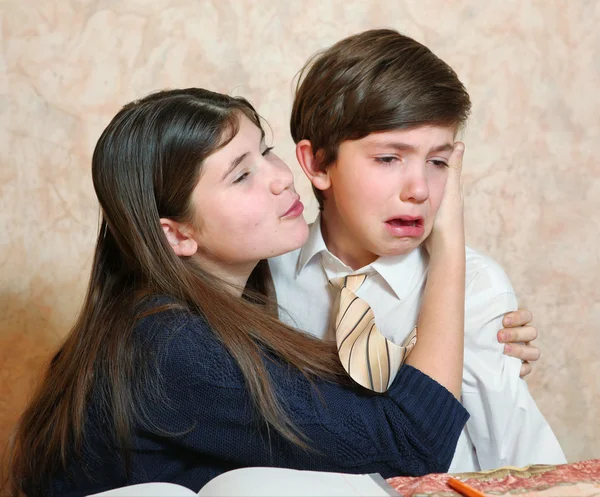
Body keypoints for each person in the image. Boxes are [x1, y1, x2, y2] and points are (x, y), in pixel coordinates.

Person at [6, 88, 469, 497]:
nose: (281, 177)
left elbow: (339, 418)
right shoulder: (166, 346)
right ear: (177, 234)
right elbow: (412, 443)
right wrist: (448, 248)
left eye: (265, 151)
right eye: (241, 175)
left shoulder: (210, 312)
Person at [269, 29, 566, 471]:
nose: (419, 190)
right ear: (316, 164)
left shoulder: (475, 284)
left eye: (438, 162)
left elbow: (516, 456)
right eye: (389, 159)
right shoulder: (261, 275)